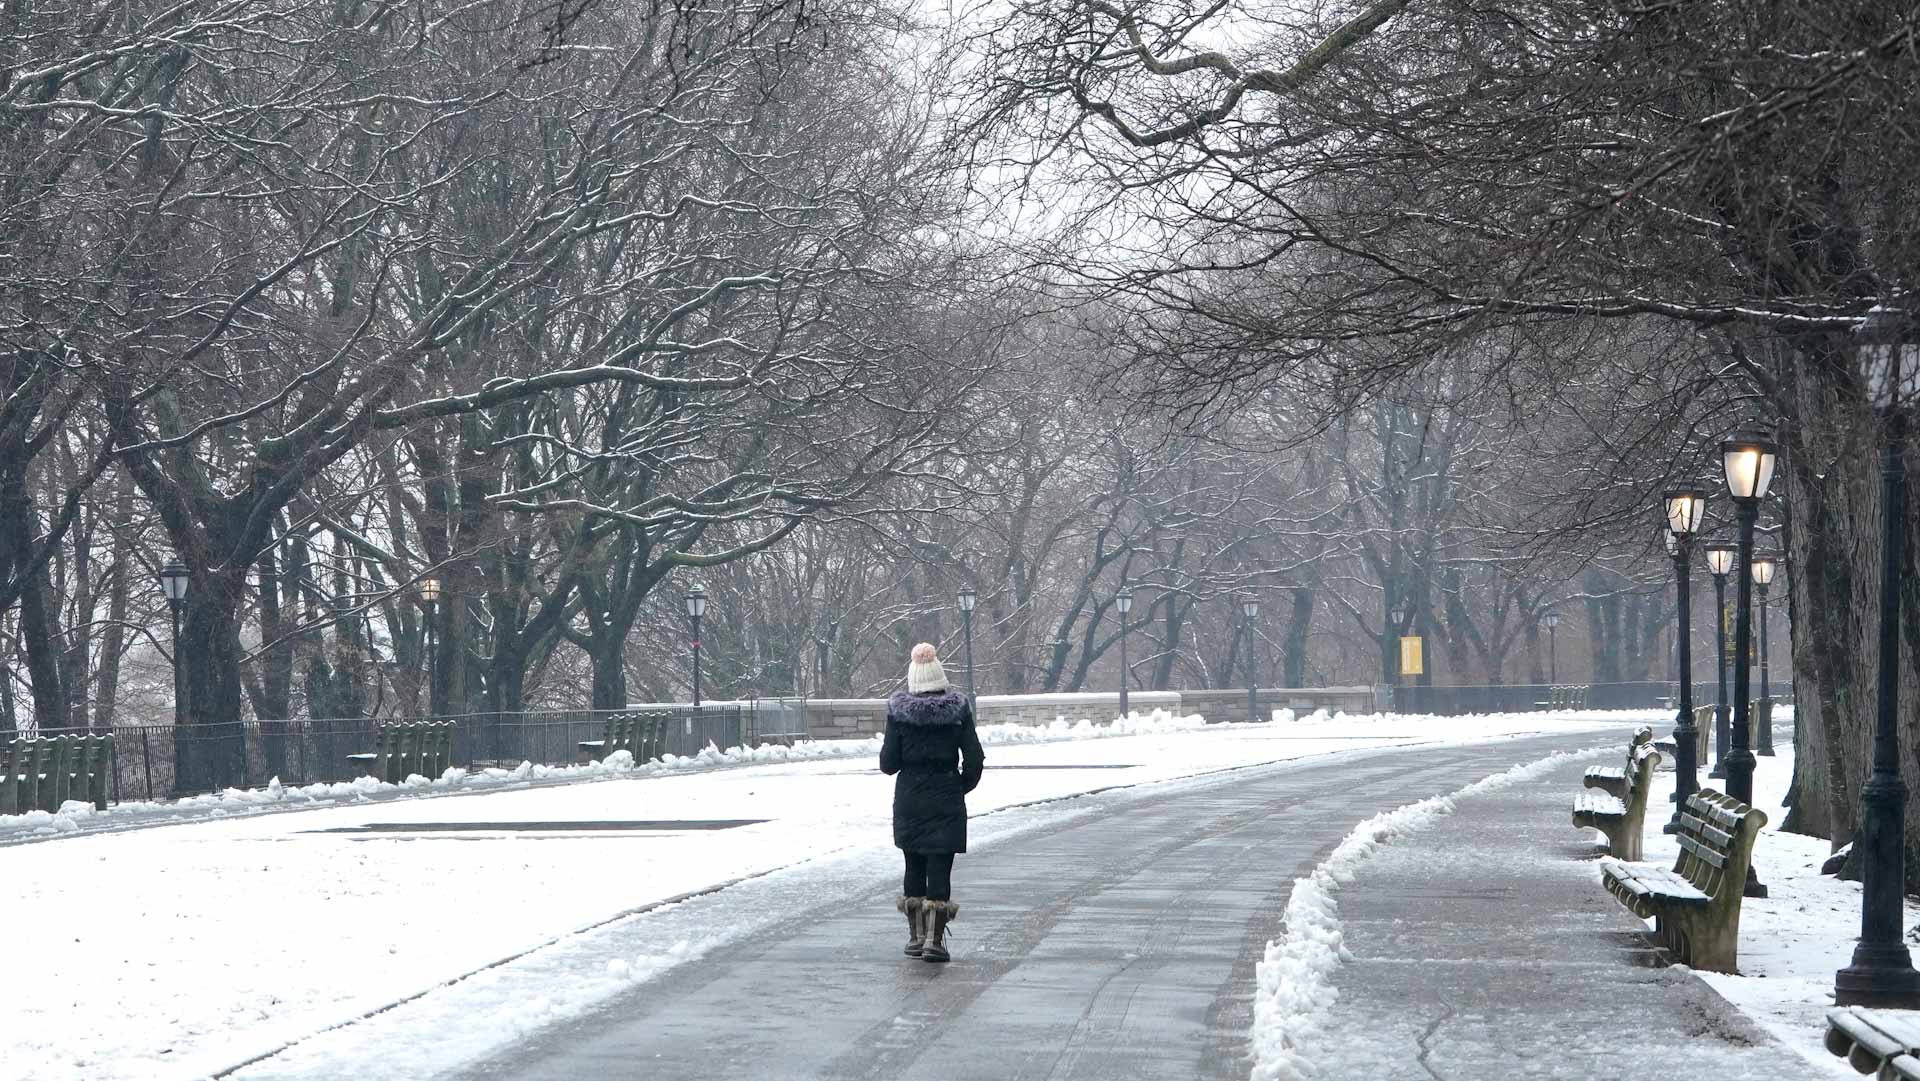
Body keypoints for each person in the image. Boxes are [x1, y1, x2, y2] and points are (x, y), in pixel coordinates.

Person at [880, 642, 984, 963]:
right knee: (940, 865)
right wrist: (957, 787)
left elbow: (888, 763)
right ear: (940, 677)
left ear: (913, 679)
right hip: (946, 799)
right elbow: (975, 759)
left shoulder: (899, 714)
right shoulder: (959, 711)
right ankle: (934, 941)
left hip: (910, 799)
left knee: (914, 864)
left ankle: (914, 937)